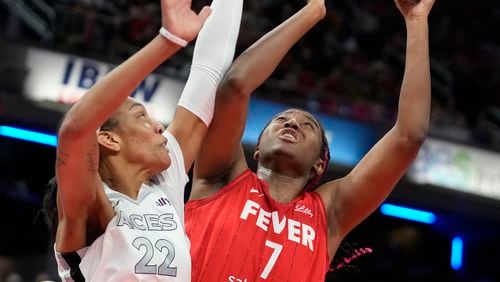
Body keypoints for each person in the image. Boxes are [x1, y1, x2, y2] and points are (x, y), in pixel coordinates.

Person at [185, 0, 436, 281]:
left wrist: (416, 22)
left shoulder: (328, 214)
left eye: (308, 126)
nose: (292, 122)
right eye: (280, 120)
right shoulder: (222, 178)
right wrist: (311, 10)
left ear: (319, 164)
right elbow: (234, 86)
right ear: (257, 149)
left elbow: (408, 137)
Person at [45, 0, 243, 279]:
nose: (159, 127)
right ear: (109, 140)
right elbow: (75, 130)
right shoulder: (92, 204)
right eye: (141, 117)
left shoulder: (164, 187)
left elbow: (207, 73)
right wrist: (168, 41)